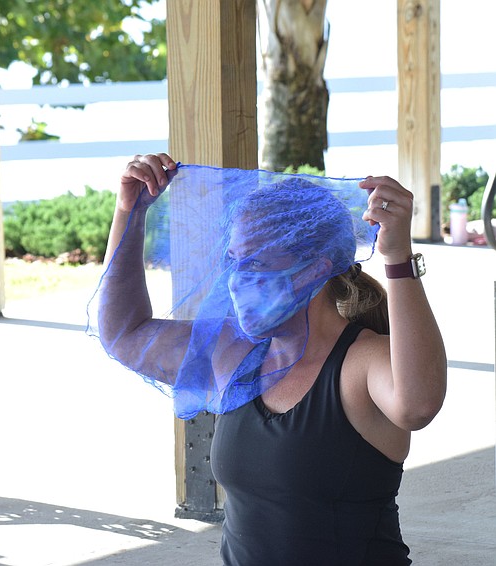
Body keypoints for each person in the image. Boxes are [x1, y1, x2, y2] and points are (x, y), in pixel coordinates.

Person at [92, 153, 447, 565]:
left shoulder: (360, 362)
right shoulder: (235, 352)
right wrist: (129, 212)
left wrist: (398, 259)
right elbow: (124, 334)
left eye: (256, 263)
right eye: (234, 261)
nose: (236, 279)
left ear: (314, 270)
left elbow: (418, 405)